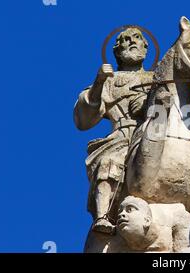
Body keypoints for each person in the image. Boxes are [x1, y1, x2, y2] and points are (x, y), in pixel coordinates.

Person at [74, 28, 153, 233]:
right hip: (122, 136)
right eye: (125, 40)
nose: (131, 42)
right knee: (109, 161)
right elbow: (83, 120)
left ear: (146, 47)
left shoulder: (158, 77)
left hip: (152, 133)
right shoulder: (108, 80)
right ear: (117, 52)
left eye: (137, 39)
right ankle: (102, 216)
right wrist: (99, 82)